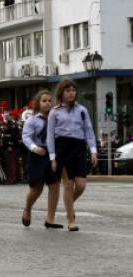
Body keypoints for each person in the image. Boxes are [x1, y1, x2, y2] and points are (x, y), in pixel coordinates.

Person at [47, 79, 98, 231]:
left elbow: (89, 131)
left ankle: (68, 204)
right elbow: (50, 136)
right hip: (62, 148)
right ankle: (71, 219)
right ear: (61, 93)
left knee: (81, 185)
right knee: (68, 186)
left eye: (73, 90)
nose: (71, 93)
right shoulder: (54, 111)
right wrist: (52, 157)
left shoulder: (82, 110)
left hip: (79, 148)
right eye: (68, 90)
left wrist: (93, 150)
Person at [21, 90, 62, 228]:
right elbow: (26, 137)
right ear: (38, 103)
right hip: (37, 155)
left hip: (52, 155)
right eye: (44, 101)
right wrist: (34, 148)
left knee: (54, 186)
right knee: (36, 189)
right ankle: (27, 208)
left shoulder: (55, 118)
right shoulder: (32, 119)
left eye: (50, 101)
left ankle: (50, 219)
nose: (47, 103)